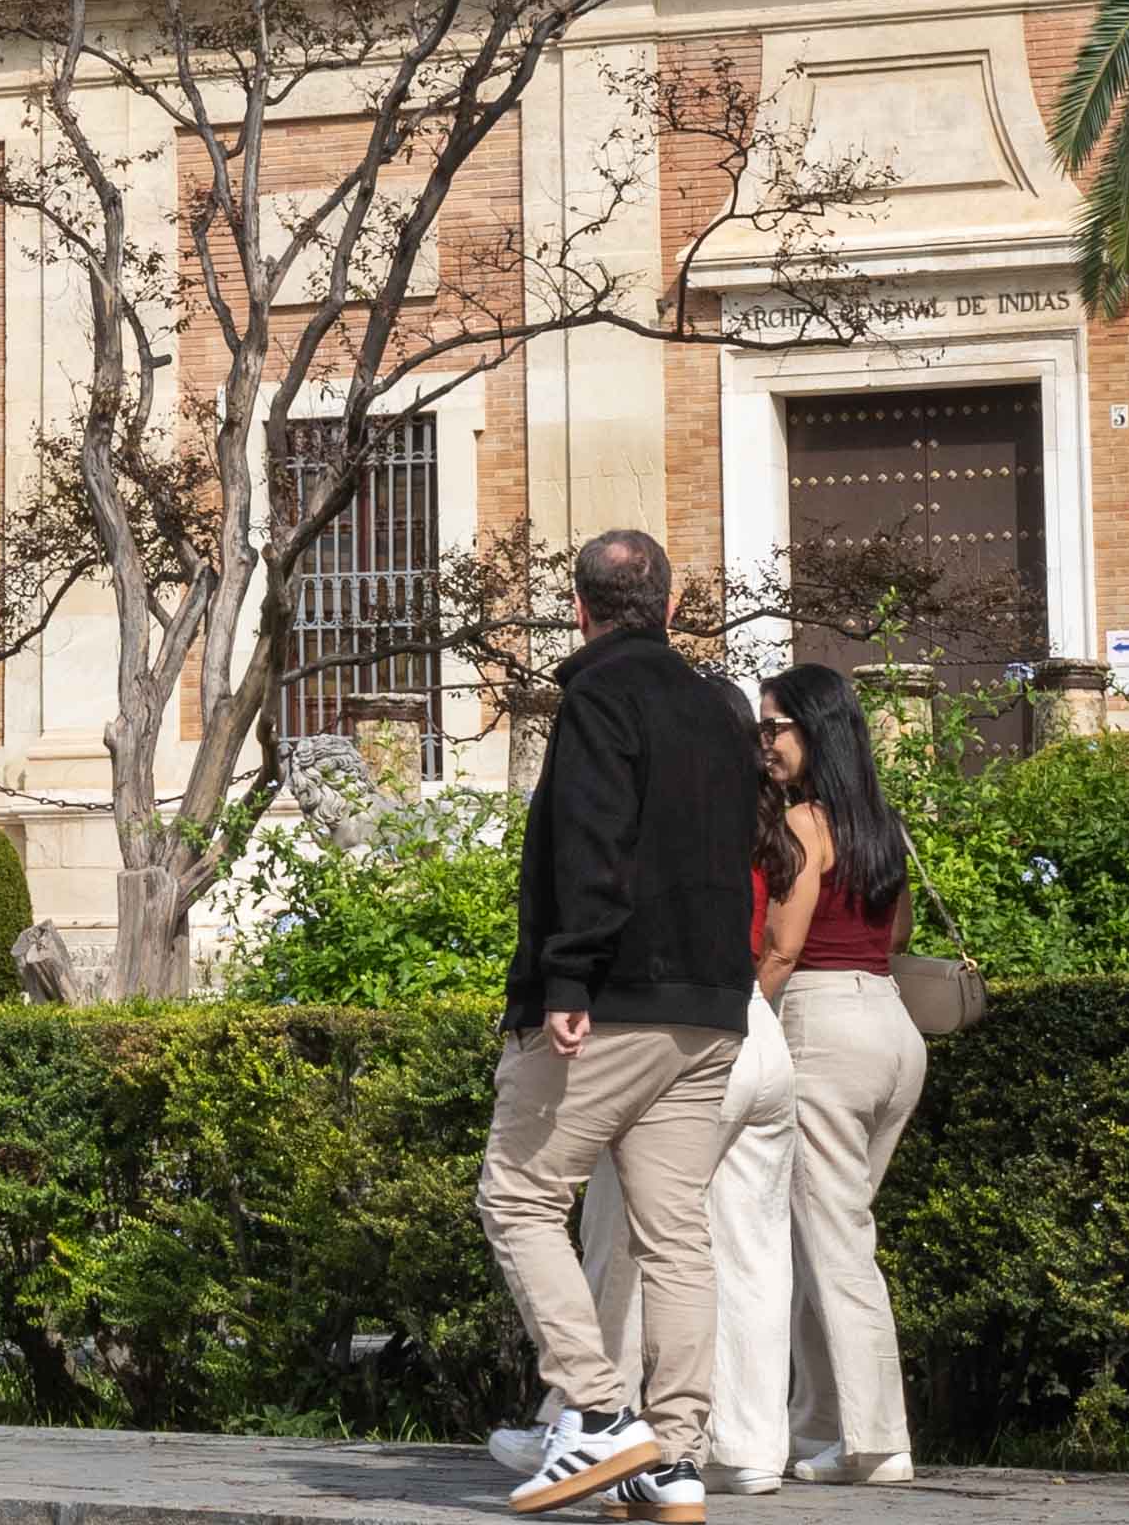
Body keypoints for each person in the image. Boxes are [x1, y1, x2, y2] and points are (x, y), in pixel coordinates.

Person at [479, 529, 764, 1520]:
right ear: (673, 606)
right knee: (676, 1231)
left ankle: (598, 1415)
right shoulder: (722, 708)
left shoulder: (599, 694)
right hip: (712, 1004)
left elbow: (591, 840)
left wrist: (568, 974)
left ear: (581, 605)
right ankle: (674, 1458)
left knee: (518, 1192)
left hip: (613, 999)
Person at [756, 662, 929, 1484]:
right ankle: (818, 1429)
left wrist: (736, 1022)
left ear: (814, 731)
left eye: (775, 726)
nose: (765, 743)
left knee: (835, 1243)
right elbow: (893, 937)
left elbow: (783, 948)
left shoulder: (802, 826)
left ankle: (876, 1441)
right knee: (823, 1237)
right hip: (892, 1027)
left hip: (821, 1026)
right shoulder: (882, 825)